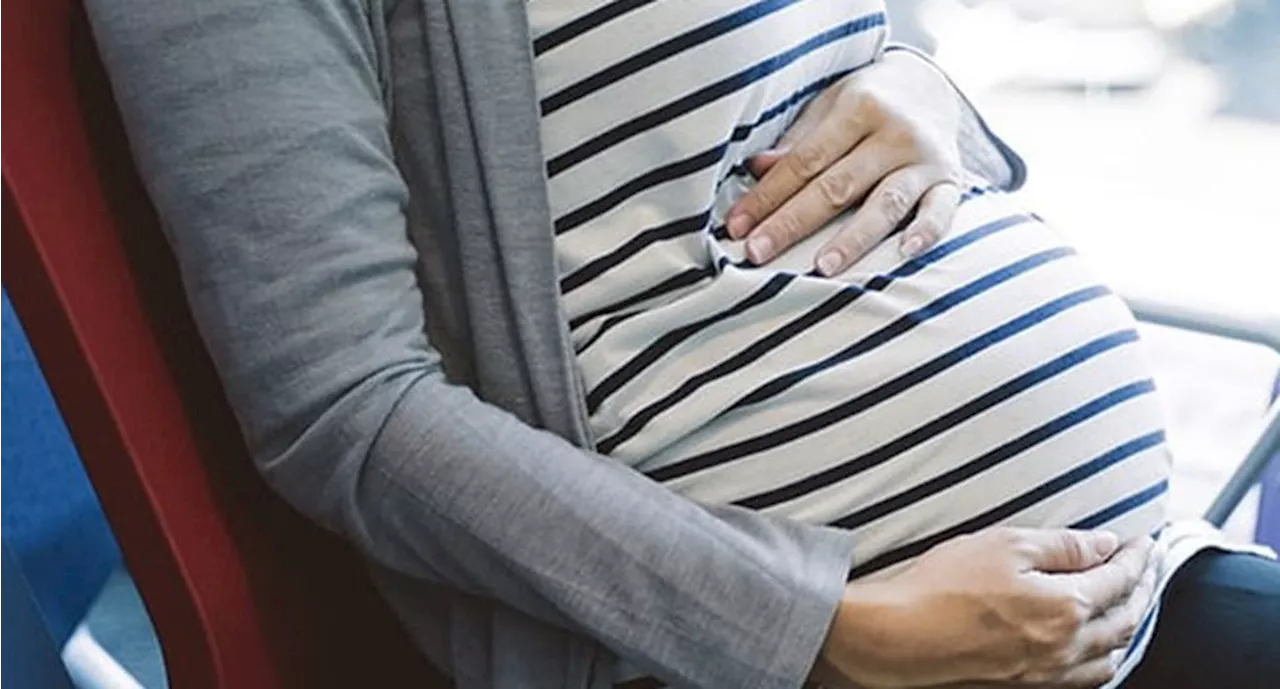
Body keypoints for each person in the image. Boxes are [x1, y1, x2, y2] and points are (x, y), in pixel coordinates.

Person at [84, 0, 1280, 687]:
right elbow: (342, 409)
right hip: (802, 651)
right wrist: (822, 635)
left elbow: (831, 70)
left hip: (1130, 577)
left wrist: (931, 96)